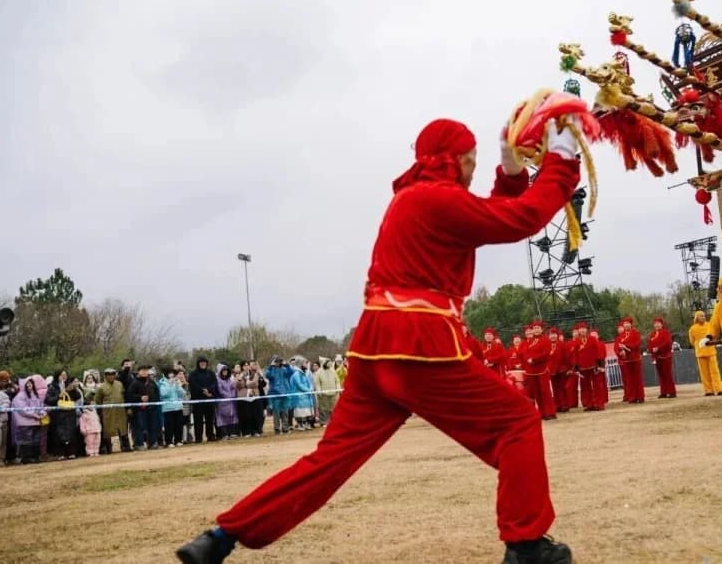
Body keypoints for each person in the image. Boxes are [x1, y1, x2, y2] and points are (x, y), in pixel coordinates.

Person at [177, 117, 581, 563]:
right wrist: (562, 160)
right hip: (419, 344)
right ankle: (526, 546)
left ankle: (221, 536)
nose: (473, 166)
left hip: (374, 350)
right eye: (474, 158)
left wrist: (510, 173)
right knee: (517, 422)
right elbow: (518, 219)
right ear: (458, 158)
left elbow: (486, 219)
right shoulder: (438, 199)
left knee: (330, 459)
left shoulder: (416, 198)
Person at [523, 320, 556, 421]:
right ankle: (542, 413)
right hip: (532, 370)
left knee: (545, 391)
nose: (536, 330)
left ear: (542, 329)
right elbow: (525, 352)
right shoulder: (530, 340)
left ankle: (550, 412)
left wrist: (534, 359)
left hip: (542, 369)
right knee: (537, 393)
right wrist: (528, 359)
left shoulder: (545, 340)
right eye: (534, 328)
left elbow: (546, 353)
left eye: (538, 328)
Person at [94, 368, 130, 454]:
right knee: (107, 430)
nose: (111, 376)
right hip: (108, 412)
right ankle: (108, 448)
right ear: (105, 376)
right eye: (109, 375)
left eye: (112, 374)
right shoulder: (101, 387)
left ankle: (125, 446)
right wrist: (101, 412)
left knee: (123, 428)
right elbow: (98, 400)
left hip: (120, 410)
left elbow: (124, 395)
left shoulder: (119, 384)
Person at [691, 311, 722, 396]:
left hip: (711, 352)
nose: (703, 317)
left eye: (704, 316)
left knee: (715, 371)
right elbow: (692, 341)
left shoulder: (709, 325)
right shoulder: (692, 328)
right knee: (704, 374)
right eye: (701, 316)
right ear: (696, 318)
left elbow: (714, 336)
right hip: (700, 353)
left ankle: (719, 389)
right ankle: (708, 390)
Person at [127, 364, 161, 449]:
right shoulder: (134, 383)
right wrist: (140, 398)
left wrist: (154, 403)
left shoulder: (151, 382)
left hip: (151, 408)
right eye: (142, 370)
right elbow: (129, 395)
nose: (145, 372)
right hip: (139, 409)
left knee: (152, 426)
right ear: (139, 372)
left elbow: (157, 393)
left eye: (146, 370)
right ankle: (139, 444)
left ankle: (152, 443)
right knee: (139, 427)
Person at [189, 357, 218, 443]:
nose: (203, 364)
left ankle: (210, 436)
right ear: (198, 363)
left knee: (210, 420)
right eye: (201, 362)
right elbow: (193, 384)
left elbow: (214, 383)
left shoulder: (211, 373)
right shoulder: (193, 374)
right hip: (198, 401)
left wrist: (208, 390)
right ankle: (198, 438)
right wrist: (202, 390)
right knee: (198, 420)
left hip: (209, 399)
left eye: (204, 362)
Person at [616, 318, 644, 404]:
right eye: (624, 324)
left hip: (635, 358)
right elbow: (618, 346)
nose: (626, 325)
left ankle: (640, 396)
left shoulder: (636, 333)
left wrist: (626, 346)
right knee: (629, 379)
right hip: (626, 360)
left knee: (637, 378)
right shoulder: (621, 336)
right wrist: (621, 351)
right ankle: (632, 397)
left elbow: (637, 344)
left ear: (631, 324)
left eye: (628, 323)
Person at [647, 317, 677, 398]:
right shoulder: (652, 334)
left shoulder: (666, 332)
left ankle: (671, 391)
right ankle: (663, 391)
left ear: (661, 324)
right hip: (657, 357)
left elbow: (667, 343)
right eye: (655, 323)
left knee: (667, 374)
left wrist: (658, 348)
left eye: (658, 323)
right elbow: (649, 344)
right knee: (661, 375)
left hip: (665, 356)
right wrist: (651, 349)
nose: (656, 325)